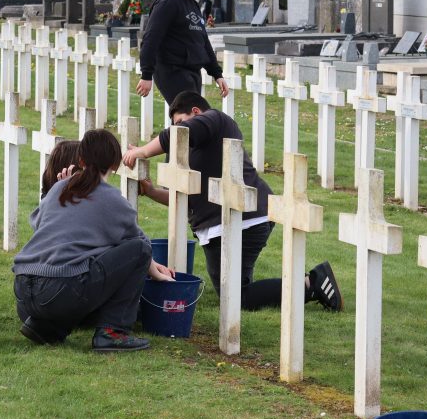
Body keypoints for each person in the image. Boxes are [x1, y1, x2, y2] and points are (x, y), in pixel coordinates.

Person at [122, 91, 342, 312]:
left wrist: (142, 151)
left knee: (237, 297)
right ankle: (303, 283)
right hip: (224, 223)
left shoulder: (214, 119)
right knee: (236, 288)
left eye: (179, 122)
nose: (177, 129)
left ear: (196, 112)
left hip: (244, 218)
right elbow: (183, 198)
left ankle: (312, 283)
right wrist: (151, 192)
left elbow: (176, 135)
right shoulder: (194, 147)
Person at [13, 129, 175, 352]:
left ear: (80, 160)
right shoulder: (112, 199)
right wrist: (157, 274)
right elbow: (140, 246)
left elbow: (38, 224)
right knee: (137, 249)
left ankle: (46, 327)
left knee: (80, 263)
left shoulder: (59, 187)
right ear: (115, 164)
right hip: (59, 291)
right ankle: (113, 332)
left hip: (23, 293)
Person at [136, 0, 229, 104]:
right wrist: (146, 74)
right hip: (172, 72)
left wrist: (217, 74)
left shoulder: (192, 4)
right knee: (190, 114)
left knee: (194, 116)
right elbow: (151, 39)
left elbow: (202, 41)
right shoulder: (168, 2)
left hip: (192, 72)